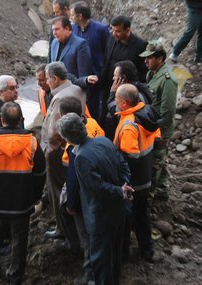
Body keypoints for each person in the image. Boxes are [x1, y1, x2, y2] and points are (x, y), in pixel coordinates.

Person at [0, 102, 46, 284]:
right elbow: (40, 174)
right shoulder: (32, 143)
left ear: (2, 120)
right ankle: (16, 274)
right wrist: (36, 196)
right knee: (20, 236)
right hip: (22, 202)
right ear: (21, 120)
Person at [57, 113, 132, 285]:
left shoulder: (81, 157)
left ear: (68, 138)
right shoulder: (104, 141)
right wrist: (124, 186)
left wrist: (119, 191)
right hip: (119, 210)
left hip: (100, 217)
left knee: (101, 261)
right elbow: (123, 164)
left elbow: (97, 188)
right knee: (115, 254)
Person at [40, 62, 86, 252]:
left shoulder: (59, 98)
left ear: (55, 79)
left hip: (57, 153)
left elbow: (54, 133)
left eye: (47, 79)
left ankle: (68, 235)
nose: (45, 83)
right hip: (71, 149)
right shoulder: (77, 88)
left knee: (59, 193)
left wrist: (48, 153)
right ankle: (66, 231)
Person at [58, 97, 104, 285]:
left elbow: (73, 179)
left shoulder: (74, 150)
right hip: (99, 182)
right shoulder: (93, 124)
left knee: (85, 234)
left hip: (85, 194)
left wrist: (71, 204)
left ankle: (90, 274)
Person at [113, 84, 160, 263]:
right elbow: (155, 140)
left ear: (124, 103)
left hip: (132, 180)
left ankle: (123, 253)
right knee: (142, 214)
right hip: (146, 175)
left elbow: (129, 157)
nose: (114, 102)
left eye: (116, 99)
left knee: (125, 217)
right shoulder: (147, 113)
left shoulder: (128, 126)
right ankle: (147, 248)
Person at [139, 40, 178, 201]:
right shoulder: (152, 73)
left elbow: (167, 111)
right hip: (152, 125)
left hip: (159, 129)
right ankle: (162, 189)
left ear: (160, 58)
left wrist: (158, 132)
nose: (145, 61)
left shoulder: (168, 79)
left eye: (150, 58)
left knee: (155, 161)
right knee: (160, 159)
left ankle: (151, 193)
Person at [99, 16, 148, 124]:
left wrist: (130, 87)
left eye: (118, 31)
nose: (114, 33)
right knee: (103, 114)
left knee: (119, 117)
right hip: (108, 85)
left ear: (127, 30)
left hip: (125, 91)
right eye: (112, 30)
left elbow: (142, 72)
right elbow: (107, 59)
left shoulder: (140, 45)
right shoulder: (112, 38)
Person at [70, 1, 110, 119]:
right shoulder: (73, 29)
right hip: (78, 78)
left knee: (95, 109)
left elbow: (107, 52)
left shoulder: (100, 30)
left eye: (72, 15)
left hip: (96, 77)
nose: (70, 18)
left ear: (80, 16)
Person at [104, 60, 153, 141]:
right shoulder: (139, 87)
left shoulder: (132, 96)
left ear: (123, 79)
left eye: (115, 75)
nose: (113, 78)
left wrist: (112, 93)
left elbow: (116, 113)